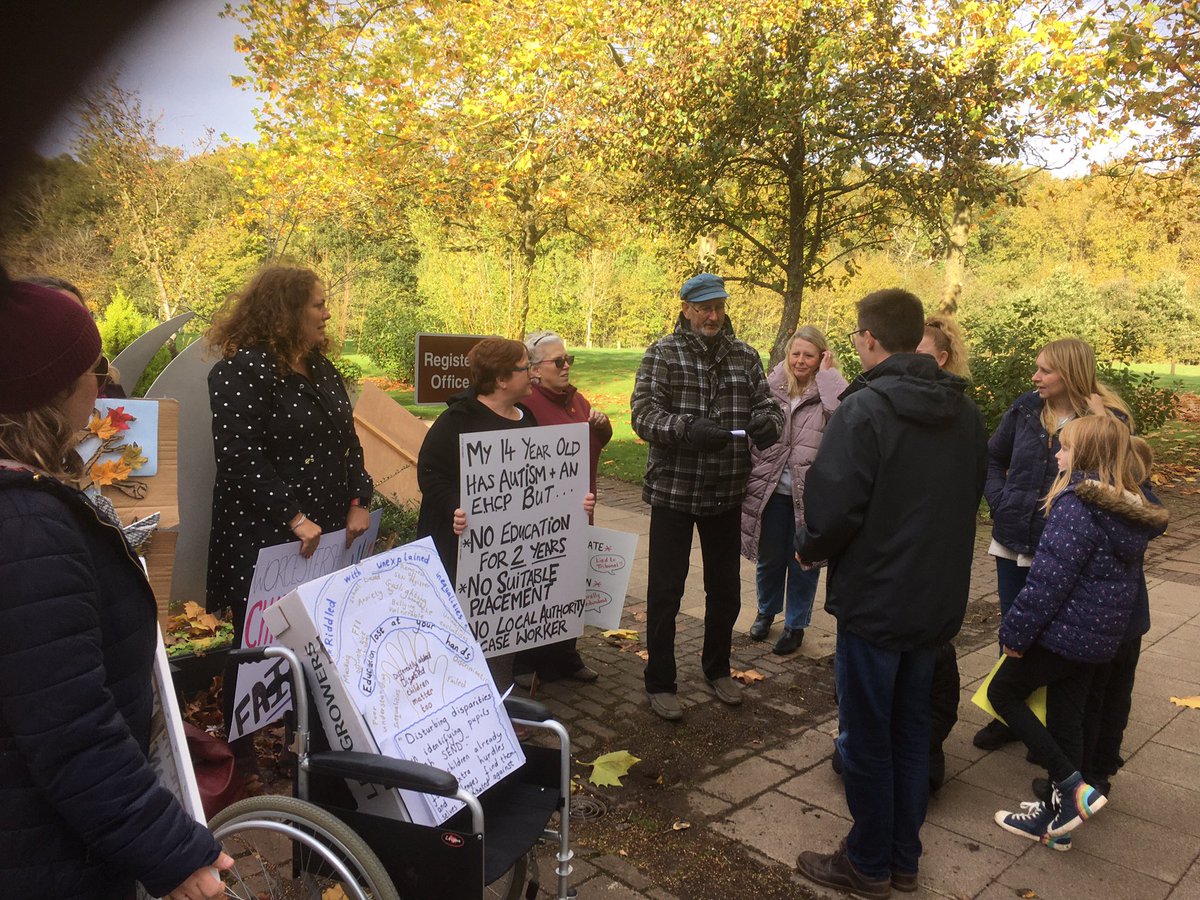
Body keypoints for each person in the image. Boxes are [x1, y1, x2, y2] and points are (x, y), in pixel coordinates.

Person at [0, 276, 232, 898]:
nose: (105, 387)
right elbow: (72, 730)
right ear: (52, 392)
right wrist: (172, 854)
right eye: (94, 369)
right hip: (47, 853)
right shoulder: (27, 529)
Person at [793, 288, 987, 898]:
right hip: (935, 599)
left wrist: (809, 543)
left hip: (876, 601)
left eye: (856, 335)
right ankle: (903, 857)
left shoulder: (864, 409)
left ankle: (869, 861)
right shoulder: (966, 412)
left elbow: (832, 505)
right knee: (909, 730)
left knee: (866, 735)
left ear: (869, 339)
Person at [990, 416, 1167, 845]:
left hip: (1065, 634)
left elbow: (1047, 584)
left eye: (1065, 448)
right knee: (1068, 718)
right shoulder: (1125, 507)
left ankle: (1072, 788)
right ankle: (1059, 821)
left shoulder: (1076, 505)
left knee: (1004, 693)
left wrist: (1014, 637)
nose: (1057, 454)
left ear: (1084, 455)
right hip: (1100, 638)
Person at [631, 272, 783, 721]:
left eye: (718, 306)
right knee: (665, 590)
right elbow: (642, 415)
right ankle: (660, 680)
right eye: (704, 308)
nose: (713, 315)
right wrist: (684, 428)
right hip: (674, 489)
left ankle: (716, 668)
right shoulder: (663, 353)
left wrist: (768, 423)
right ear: (686, 309)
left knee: (726, 591)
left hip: (727, 489)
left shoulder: (745, 356)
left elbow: (768, 405)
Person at [975, 337, 1133, 751]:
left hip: (1069, 549)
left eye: (1045, 370)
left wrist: (1106, 420)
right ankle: (1008, 716)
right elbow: (992, 458)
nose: (1035, 376)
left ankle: (1049, 731)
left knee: (1058, 639)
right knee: (1014, 627)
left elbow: (1126, 478)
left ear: (1071, 373)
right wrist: (1001, 500)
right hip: (1014, 539)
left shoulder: (1107, 419)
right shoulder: (1026, 408)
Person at [206, 265, 373, 642]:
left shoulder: (322, 369)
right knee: (266, 659)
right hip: (268, 539)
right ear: (287, 312)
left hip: (327, 534)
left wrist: (360, 498)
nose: (327, 314)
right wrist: (294, 517)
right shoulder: (240, 371)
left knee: (324, 647)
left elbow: (348, 440)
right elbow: (238, 457)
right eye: (319, 305)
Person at [511, 331, 612, 687]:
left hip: (580, 507)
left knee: (571, 582)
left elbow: (595, 443)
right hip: (542, 518)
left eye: (569, 359)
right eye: (559, 361)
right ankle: (525, 662)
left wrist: (603, 426)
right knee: (538, 584)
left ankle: (566, 654)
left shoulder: (577, 400)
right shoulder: (527, 405)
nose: (566, 365)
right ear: (535, 370)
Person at [740, 326, 846, 655]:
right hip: (770, 491)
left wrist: (828, 377)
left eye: (809, 355)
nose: (800, 360)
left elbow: (844, 417)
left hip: (809, 495)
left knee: (804, 563)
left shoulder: (829, 391)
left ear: (822, 358)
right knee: (769, 560)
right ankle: (766, 612)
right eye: (795, 353)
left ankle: (796, 625)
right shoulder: (771, 387)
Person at [26, 274, 127, 397]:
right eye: (67, 318)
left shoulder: (106, 381)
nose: (82, 327)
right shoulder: (18, 398)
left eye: (84, 316)